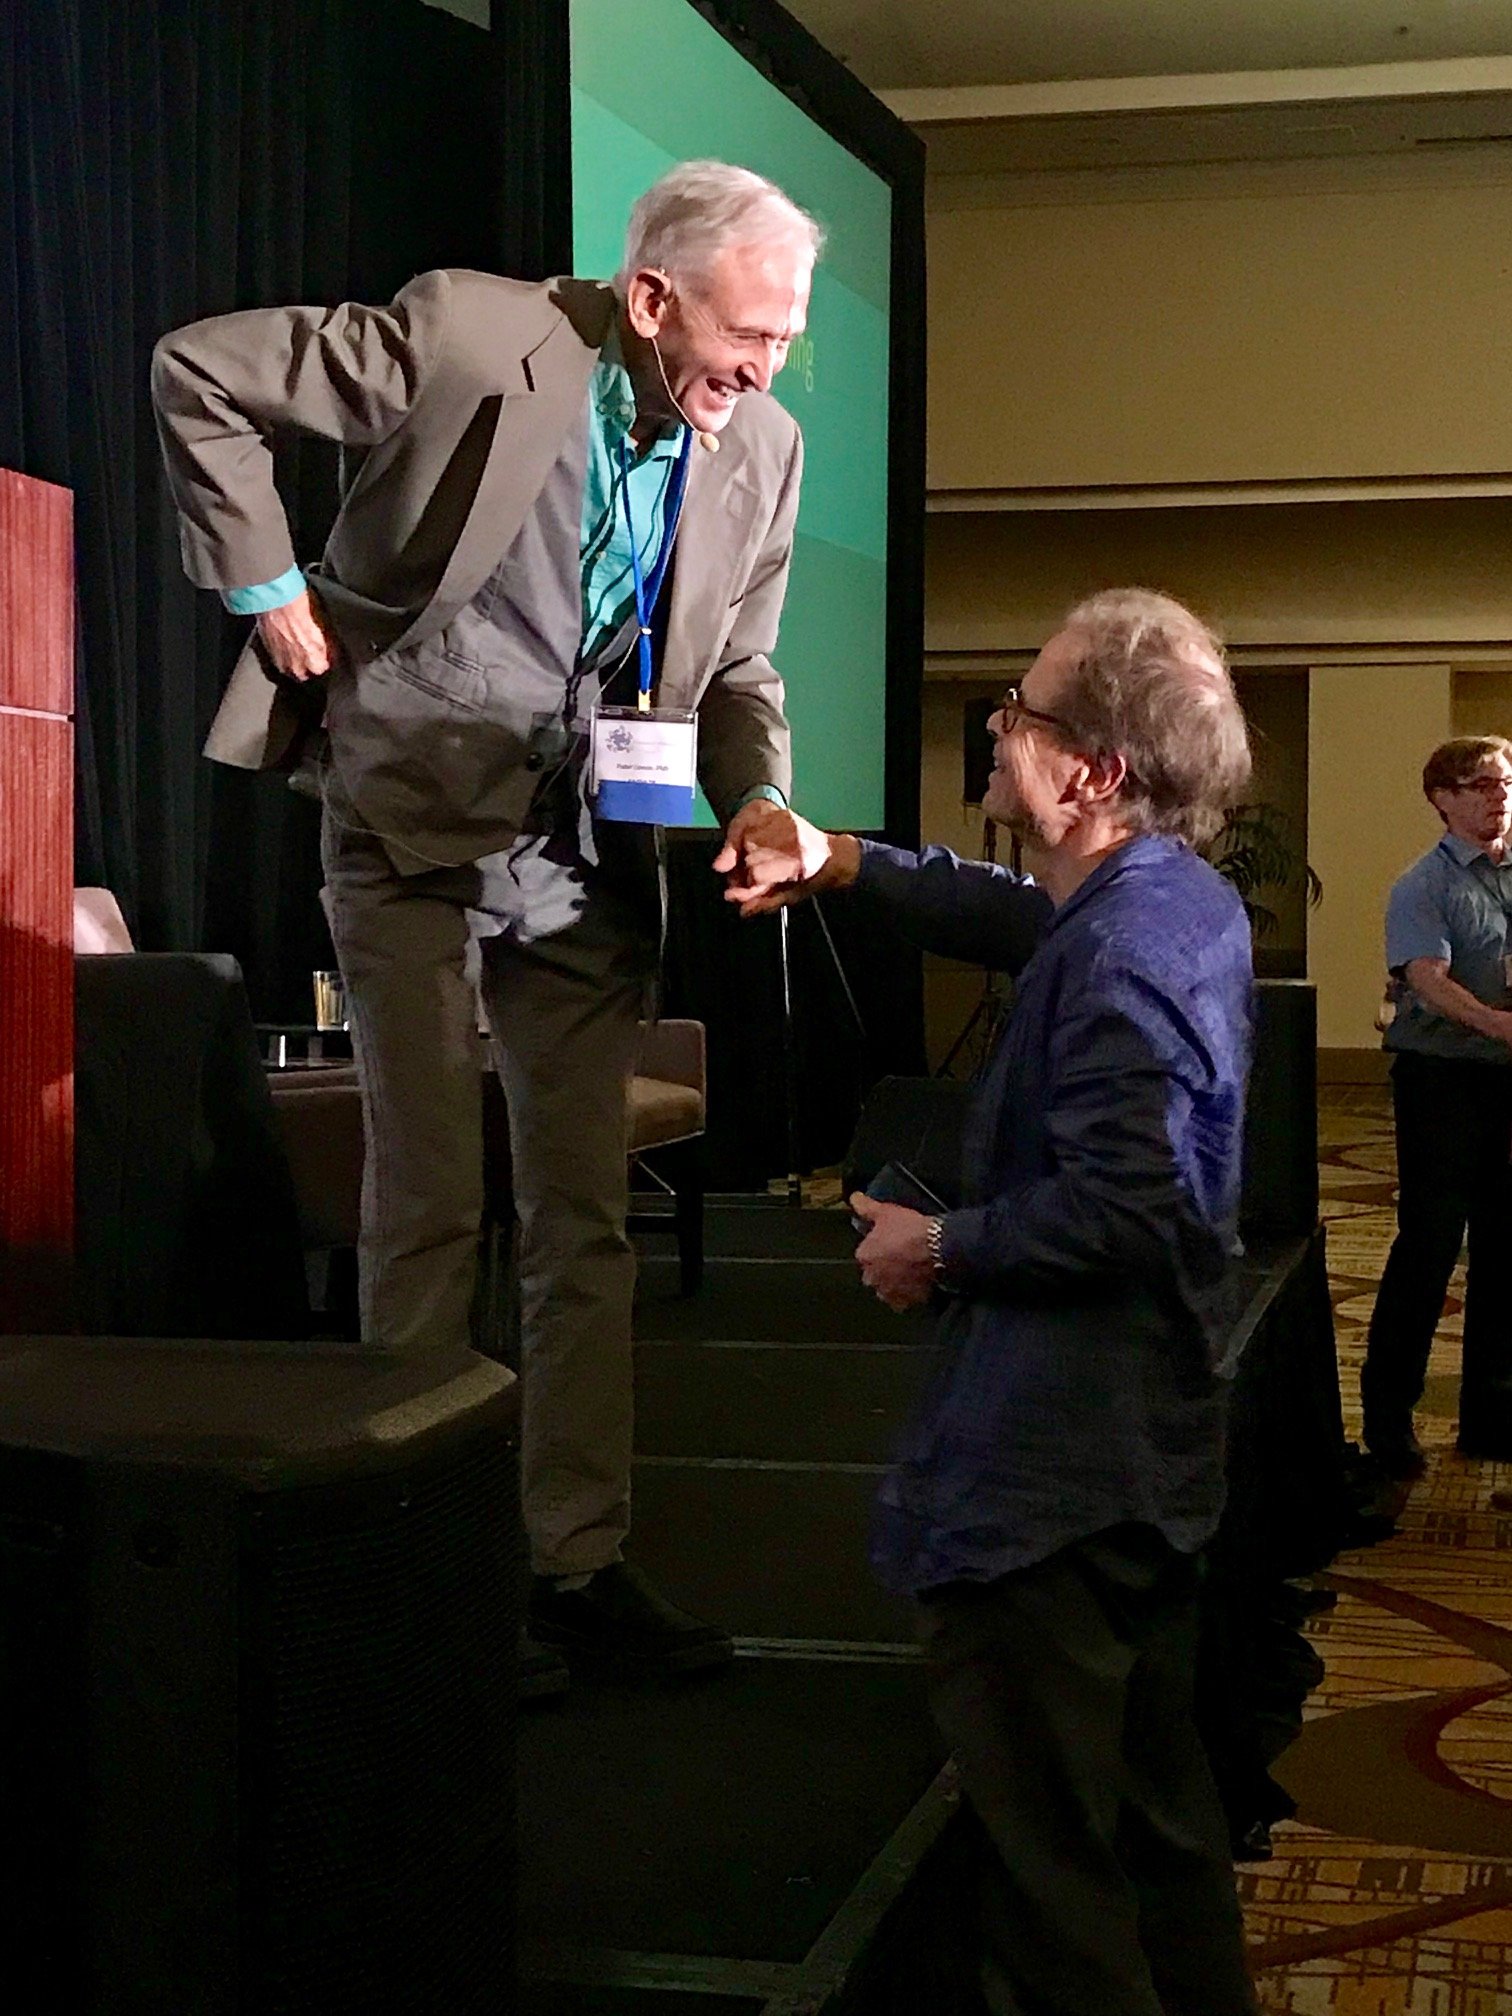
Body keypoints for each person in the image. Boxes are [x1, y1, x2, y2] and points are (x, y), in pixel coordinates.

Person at [151, 161, 822, 1686]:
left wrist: (763, 800)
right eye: (748, 335)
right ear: (650, 298)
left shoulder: (767, 450)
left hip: (587, 846)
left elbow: (739, 672)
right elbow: (201, 370)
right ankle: (408, 1554)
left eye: (787, 342)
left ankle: (572, 1559)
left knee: (582, 1219)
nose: (766, 370)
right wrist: (265, 585)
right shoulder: (470, 333)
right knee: (430, 1198)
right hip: (406, 814)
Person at [728, 589, 1261, 2016]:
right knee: (1158, 1841)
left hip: (1052, 1486)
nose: (998, 729)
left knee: (1054, 1898)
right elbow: (1015, 911)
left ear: (1089, 772)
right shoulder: (1164, 899)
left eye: (1019, 713)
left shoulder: (1126, 952)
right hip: (1134, 1466)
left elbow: (1132, 1207)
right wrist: (839, 859)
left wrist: (944, 1249)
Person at [1360, 736, 1512, 1478]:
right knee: (1429, 1248)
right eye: (1481, 785)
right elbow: (1427, 977)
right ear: (1442, 799)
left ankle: (1490, 1413)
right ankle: (1389, 1420)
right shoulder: (1422, 885)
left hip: (1506, 1085)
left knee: (1504, 1250)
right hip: (1442, 1082)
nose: (1499, 796)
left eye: (1506, 782)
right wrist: (1497, 1024)